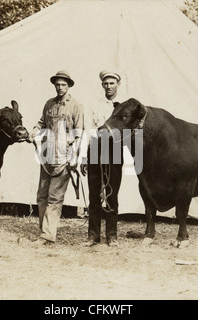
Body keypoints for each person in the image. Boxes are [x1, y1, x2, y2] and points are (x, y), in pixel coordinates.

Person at [27, 70, 84, 245]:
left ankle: (47, 236)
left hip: (63, 158)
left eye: (63, 85)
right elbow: (42, 121)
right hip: (46, 156)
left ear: (69, 86)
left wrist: (75, 158)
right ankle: (43, 231)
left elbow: (78, 133)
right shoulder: (49, 104)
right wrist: (35, 130)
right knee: (41, 196)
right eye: (57, 84)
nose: (60, 87)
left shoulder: (76, 106)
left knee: (54, 197)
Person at [81, 70, 125, 247]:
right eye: (105, 83)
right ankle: (93, 236)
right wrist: (84, 156)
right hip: (95, 151)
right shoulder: (93, 105)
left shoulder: (123, 107)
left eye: (112, 83)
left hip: (114, 152)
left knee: (112, 195)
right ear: (102, 85)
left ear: (118, 85)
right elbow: (87, 130)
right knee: (94, 196)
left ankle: (112, 236)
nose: (108, 86)